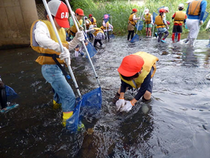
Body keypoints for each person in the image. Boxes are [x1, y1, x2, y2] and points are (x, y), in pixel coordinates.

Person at [30, 0, 85, 127]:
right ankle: (69, 123)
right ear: (49, 17)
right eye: (59, 22)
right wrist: (60, 48)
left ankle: (55, 106)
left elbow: (68, 46)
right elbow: (40, 38)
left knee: (59, 90)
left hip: (58, 67)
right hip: (50, 69)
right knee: (69, 96)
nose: (61, 26)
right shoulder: (42, 25)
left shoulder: (60, 30)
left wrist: (76, 39)